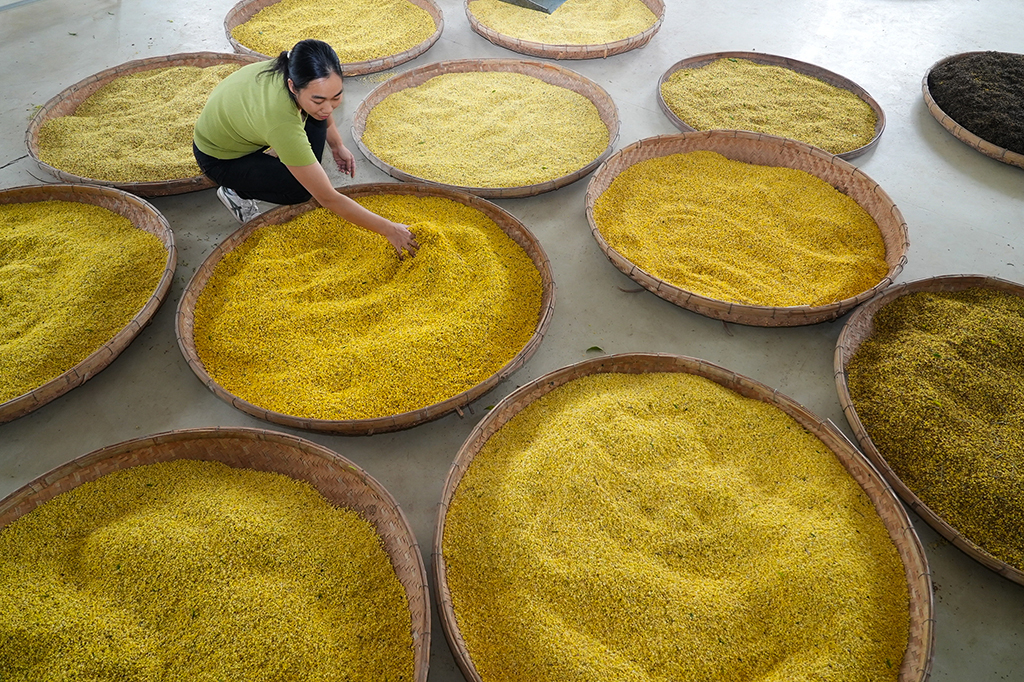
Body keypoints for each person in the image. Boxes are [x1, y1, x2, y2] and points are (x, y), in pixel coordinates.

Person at [193, 39, 418, 258]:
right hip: (220, 157)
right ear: (292, 86)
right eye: (318, 100)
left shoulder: (293, 68)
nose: (328, 108)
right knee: (300, 190)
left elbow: (322, 108)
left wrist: (337, 145)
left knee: (315, 120)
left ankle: (280, 153)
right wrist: (390, 229)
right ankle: (235, 191)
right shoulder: (281, 120)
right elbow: (327, 198)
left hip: (246, 127)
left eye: (336, 96)